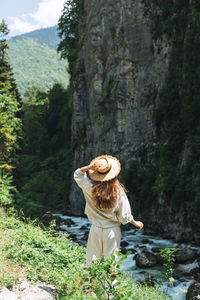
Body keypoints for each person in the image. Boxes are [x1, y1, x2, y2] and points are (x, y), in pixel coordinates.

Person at [74, 155, 144, 267]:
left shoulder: (89, 187)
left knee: (92, 261)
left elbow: (78, 174)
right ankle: (109, 285)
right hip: (112, 231)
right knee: (111, 264)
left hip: (95, 229)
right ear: (113, 173)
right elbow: (124, 215)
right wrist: (136, 223)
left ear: (96, 173)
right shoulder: (118, 191)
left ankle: (90, 284)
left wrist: (89, 167)